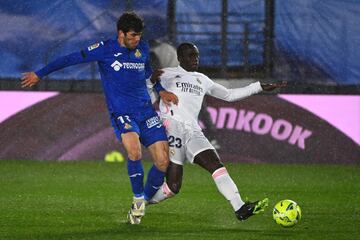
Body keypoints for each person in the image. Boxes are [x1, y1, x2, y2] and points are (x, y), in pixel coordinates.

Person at [21, 12, 178, 225]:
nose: (136, 40)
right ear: (120, 33)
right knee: (134, 151)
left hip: (146, 111)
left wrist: (160, 90)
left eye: (139, 36)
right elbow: (70, 58)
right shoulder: (104, 49)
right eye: (132, 36)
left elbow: (148, 72)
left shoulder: (141, 48)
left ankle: (143, 201)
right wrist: (40, 73)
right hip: (122, 113)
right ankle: (138, 198)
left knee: (163, 161)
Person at [147, 42, 287, 221]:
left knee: (216, 165)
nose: (195, 59)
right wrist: (151, 82)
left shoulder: (202, 79)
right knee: (173, 187)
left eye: (196, 55)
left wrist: (258, 86)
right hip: (172, 128)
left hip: (193, 132)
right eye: (190, 55)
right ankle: (142, 201)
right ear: (180, 58)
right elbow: (147, 91)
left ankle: (240, 207)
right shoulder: (165, 74)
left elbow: (228, 95)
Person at [149, 39, 221, 150]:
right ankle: (210, 138)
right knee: (197, 110)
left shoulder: (152, 53)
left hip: (172, 85)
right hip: (184, 82)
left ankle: (178, 143)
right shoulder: (169, 48)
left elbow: (156, 73)